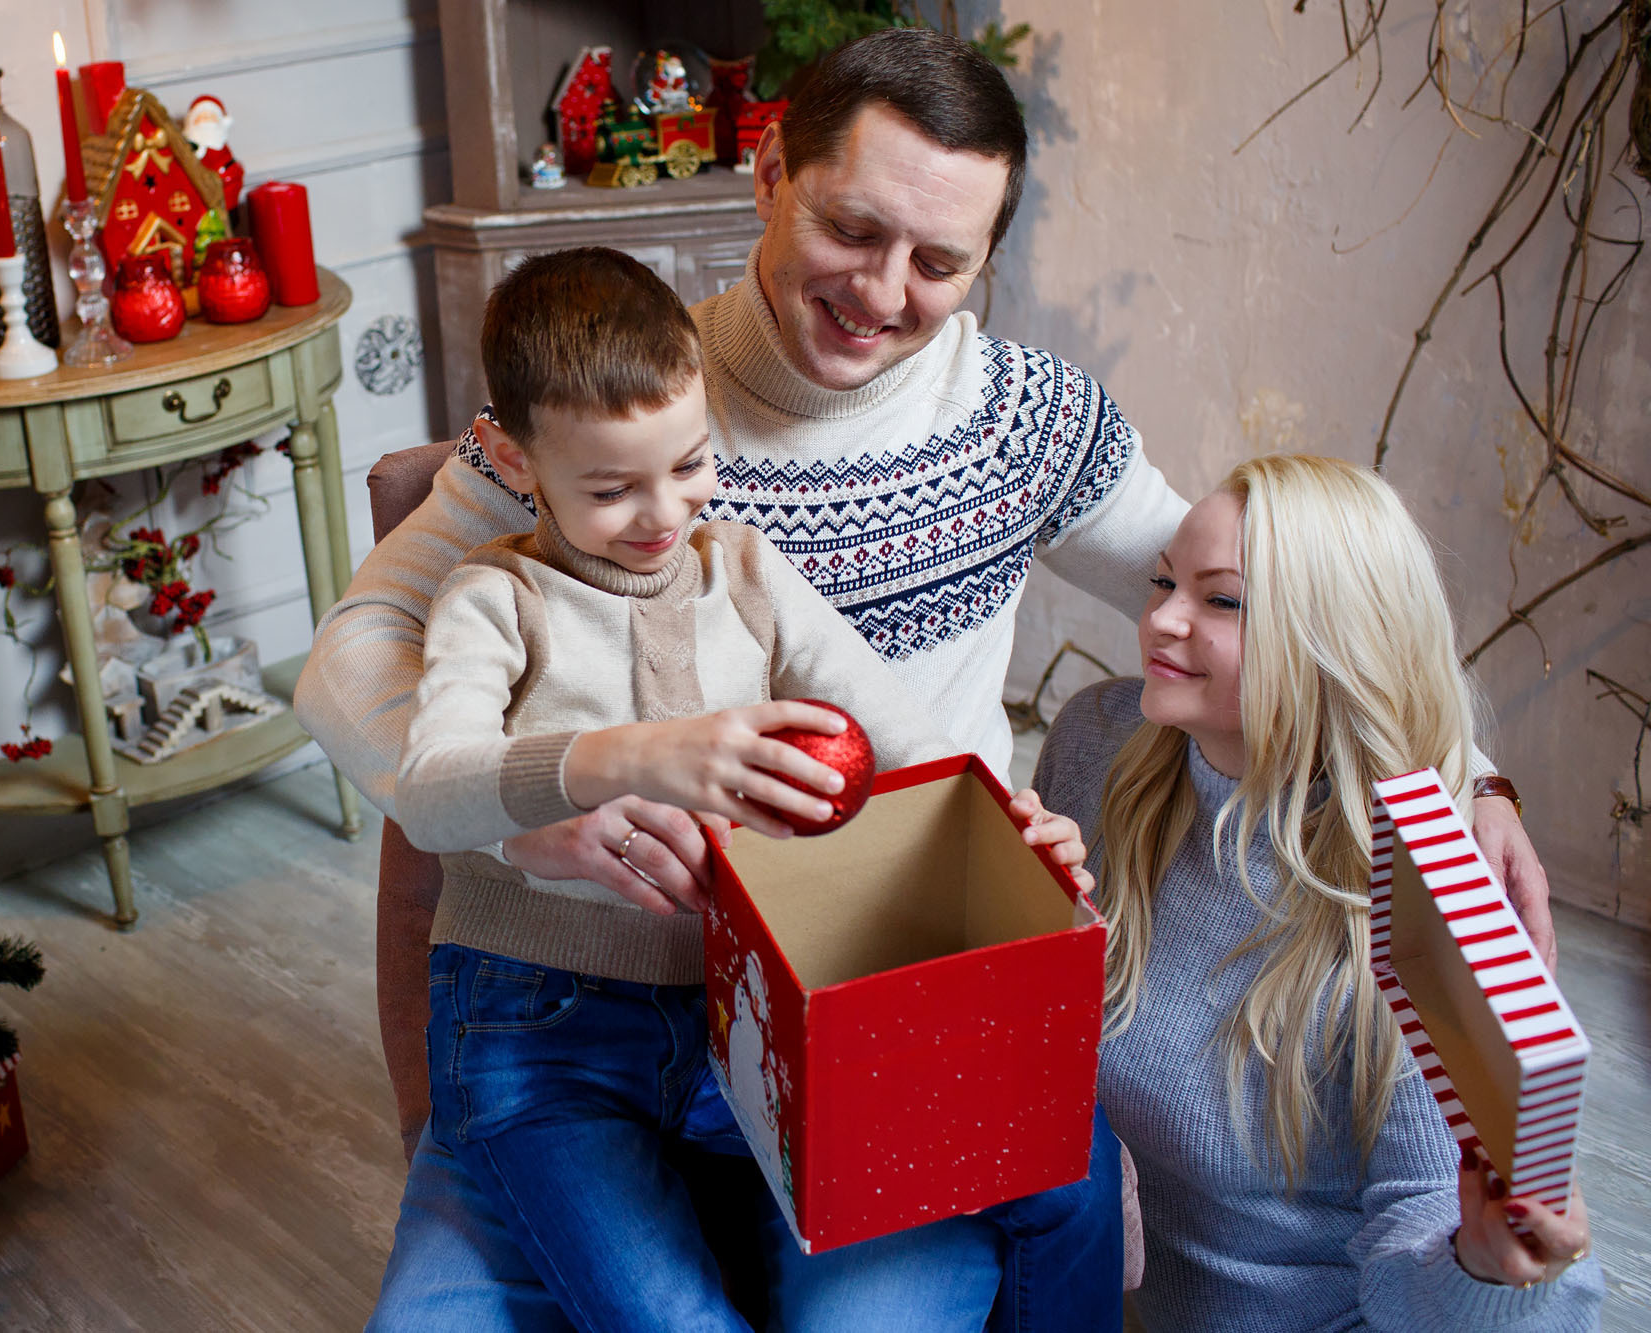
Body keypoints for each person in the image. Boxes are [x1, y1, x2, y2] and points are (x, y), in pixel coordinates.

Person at [297, 26, 1548, 1327]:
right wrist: (523, 804)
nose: (883, 291)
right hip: (588, 996)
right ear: (770, 169)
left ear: (984, 262)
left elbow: (1276, 610)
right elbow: (350, 658)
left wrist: (1475, 776)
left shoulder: (1029, 423)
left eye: (940, 260)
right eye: (854, 228)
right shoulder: (621, 412)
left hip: (875, 991)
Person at [383, 245, 1101, 1332]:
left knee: (979, 1218)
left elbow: (902, 739)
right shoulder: (493, 597)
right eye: (610, 488)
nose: (662, 513)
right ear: (515, 460)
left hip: (744, 1021)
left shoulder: (749, 572)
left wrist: (1011, 830)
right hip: (537, 1037)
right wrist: (630, 756)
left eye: (688, 462)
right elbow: (429, 791)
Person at [1031, 455, 1604, 1331]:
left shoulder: (1421, 904)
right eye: (1163, 582)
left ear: (1331, 637)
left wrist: (1482, 1271)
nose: (1160, 619)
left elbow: (1429, 1230)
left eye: (1221, 600)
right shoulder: (1096, 743)